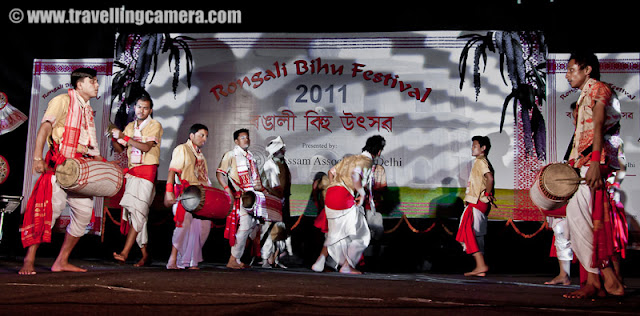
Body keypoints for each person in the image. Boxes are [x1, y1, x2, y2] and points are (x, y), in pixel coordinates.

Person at [19, 68, 102, 274]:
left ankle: (61, 261)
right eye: (92, 81)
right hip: (60, 167)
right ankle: (29, 260)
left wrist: (103, 164)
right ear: (79, 84)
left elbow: (89, 145)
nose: (97, 85)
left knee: (83, 215)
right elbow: (45, 128)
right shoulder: (62, 101)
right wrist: (38, 158)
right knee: (49, 212)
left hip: (79, 170)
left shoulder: (87, 110)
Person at [563, 52, 624, 298]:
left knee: (586, 219)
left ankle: (607, 279)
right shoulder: (584, 95)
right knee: (582, 220)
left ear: (587, 70)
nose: (567, 75)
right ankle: (595, 280)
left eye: (571, 69)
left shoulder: (599, 88)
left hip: (595, 163)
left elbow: (598, 125)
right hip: (585, 162)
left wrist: (597, 161)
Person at [313, 135, 385, 274]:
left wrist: (335, 185)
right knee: (361, 234)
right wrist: (362, 195)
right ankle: (346, 265)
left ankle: (320, 261)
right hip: (344, 197)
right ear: (379, 151)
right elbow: (356, 176)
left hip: (332, 194)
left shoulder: (350, 159)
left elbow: (331, 172)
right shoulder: (366, 161)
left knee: (335, 232)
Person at [110, 94, 163, 266]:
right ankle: (145, 254)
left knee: (138, 212)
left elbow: (146, 147)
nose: (142, 110)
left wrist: (124, 137)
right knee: (136, 215)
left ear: (150, 110)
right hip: (133, 173)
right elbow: (120, 149)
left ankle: (125, 253)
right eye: (139, 107)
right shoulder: (130, 126)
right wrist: (114, 137)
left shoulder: (155, 125)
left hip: (147, 172)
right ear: (134, 108)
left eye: (145, 108)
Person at [164, 124, 211, 269]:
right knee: (182, 227)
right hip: (185, 194)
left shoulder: (200, 155)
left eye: (206, 136)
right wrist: (169, 190)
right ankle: (173, 260)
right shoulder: (182, 149)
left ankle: (190, 261)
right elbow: (173, 170)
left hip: (199, 196)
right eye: (201, 135)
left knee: (200, 228)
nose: (204, 139)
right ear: (191, 136)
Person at [217, 128, 265, 269]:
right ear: (236, 141)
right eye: (243, 138)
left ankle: (237, 259)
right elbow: (220, 174)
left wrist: (262, 190)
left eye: (247, 137)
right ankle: (233, 259)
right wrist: (228, 190)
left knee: (251, 228)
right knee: (244, 227)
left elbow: (255, 179)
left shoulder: (251, 157)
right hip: (241, 197)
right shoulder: (231, 155)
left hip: (253, 198)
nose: (246, 140)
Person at [455, 135, 495, 277]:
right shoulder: (480, 161)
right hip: (478, 203)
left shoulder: (480, 161)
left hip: (476, 203)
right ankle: (480, 268)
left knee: (466, 233)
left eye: (475, 146)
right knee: (476, 235)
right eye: (472, 146)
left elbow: (489, 177)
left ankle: (481, 265)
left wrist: (488, 195)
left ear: (483, 148)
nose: (472, 148)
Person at [259, 136, 292, 268]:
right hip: (271, 202)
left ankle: (275, 259)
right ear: (276, 151)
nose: (284, 150)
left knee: (280, 230)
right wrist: (278, 197)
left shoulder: (283, 163)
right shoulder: (269, 165)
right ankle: (266, 259)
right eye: (281, 148)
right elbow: (272, 186)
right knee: (268, 229)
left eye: (283, 148)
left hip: (282, 201)